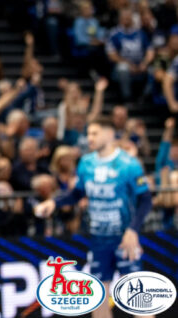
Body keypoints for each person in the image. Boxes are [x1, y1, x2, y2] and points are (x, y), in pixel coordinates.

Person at [35, 117, 152, 318]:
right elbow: (77, 194)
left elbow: (146, 200)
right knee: (98, 299)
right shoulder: (86, 164)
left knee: (138, 301)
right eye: (88, 133)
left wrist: (133, 230)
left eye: (95, 133)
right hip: (99, 239)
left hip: (124, 238)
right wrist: (53, 203)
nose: (89, 138)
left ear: (109, 134)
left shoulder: (128, 164)